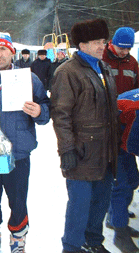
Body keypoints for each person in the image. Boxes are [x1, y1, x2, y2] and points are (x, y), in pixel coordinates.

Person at [0, 32, 50, 253]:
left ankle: (18, 240)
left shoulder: (29, 79)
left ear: (12, 52)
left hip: (19, 153)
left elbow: (45, 110)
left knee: (18, 200)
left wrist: (39, 111)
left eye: (3, 49)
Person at [50, 19, 120, 253]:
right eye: (96, 42)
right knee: (79, 206)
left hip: (106, 152)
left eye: (103, 41)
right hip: (81, 153)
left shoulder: (104, 68)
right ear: (82, 44)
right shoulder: (67, 72)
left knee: (100, 203)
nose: (102, 46)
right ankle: (71, 247)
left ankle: (93, 242)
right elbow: (61, 114)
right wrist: (67, 149)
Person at [102, 27, 139, 252]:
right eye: (121, 47)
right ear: (112, 43)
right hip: (107, 126)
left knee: (132, 180)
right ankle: (119, 228)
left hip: (129, 125)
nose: (124, 51)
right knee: (121, 181)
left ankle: (117, 215)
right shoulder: (100, 59)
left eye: (128, 47)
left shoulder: (133, 63)